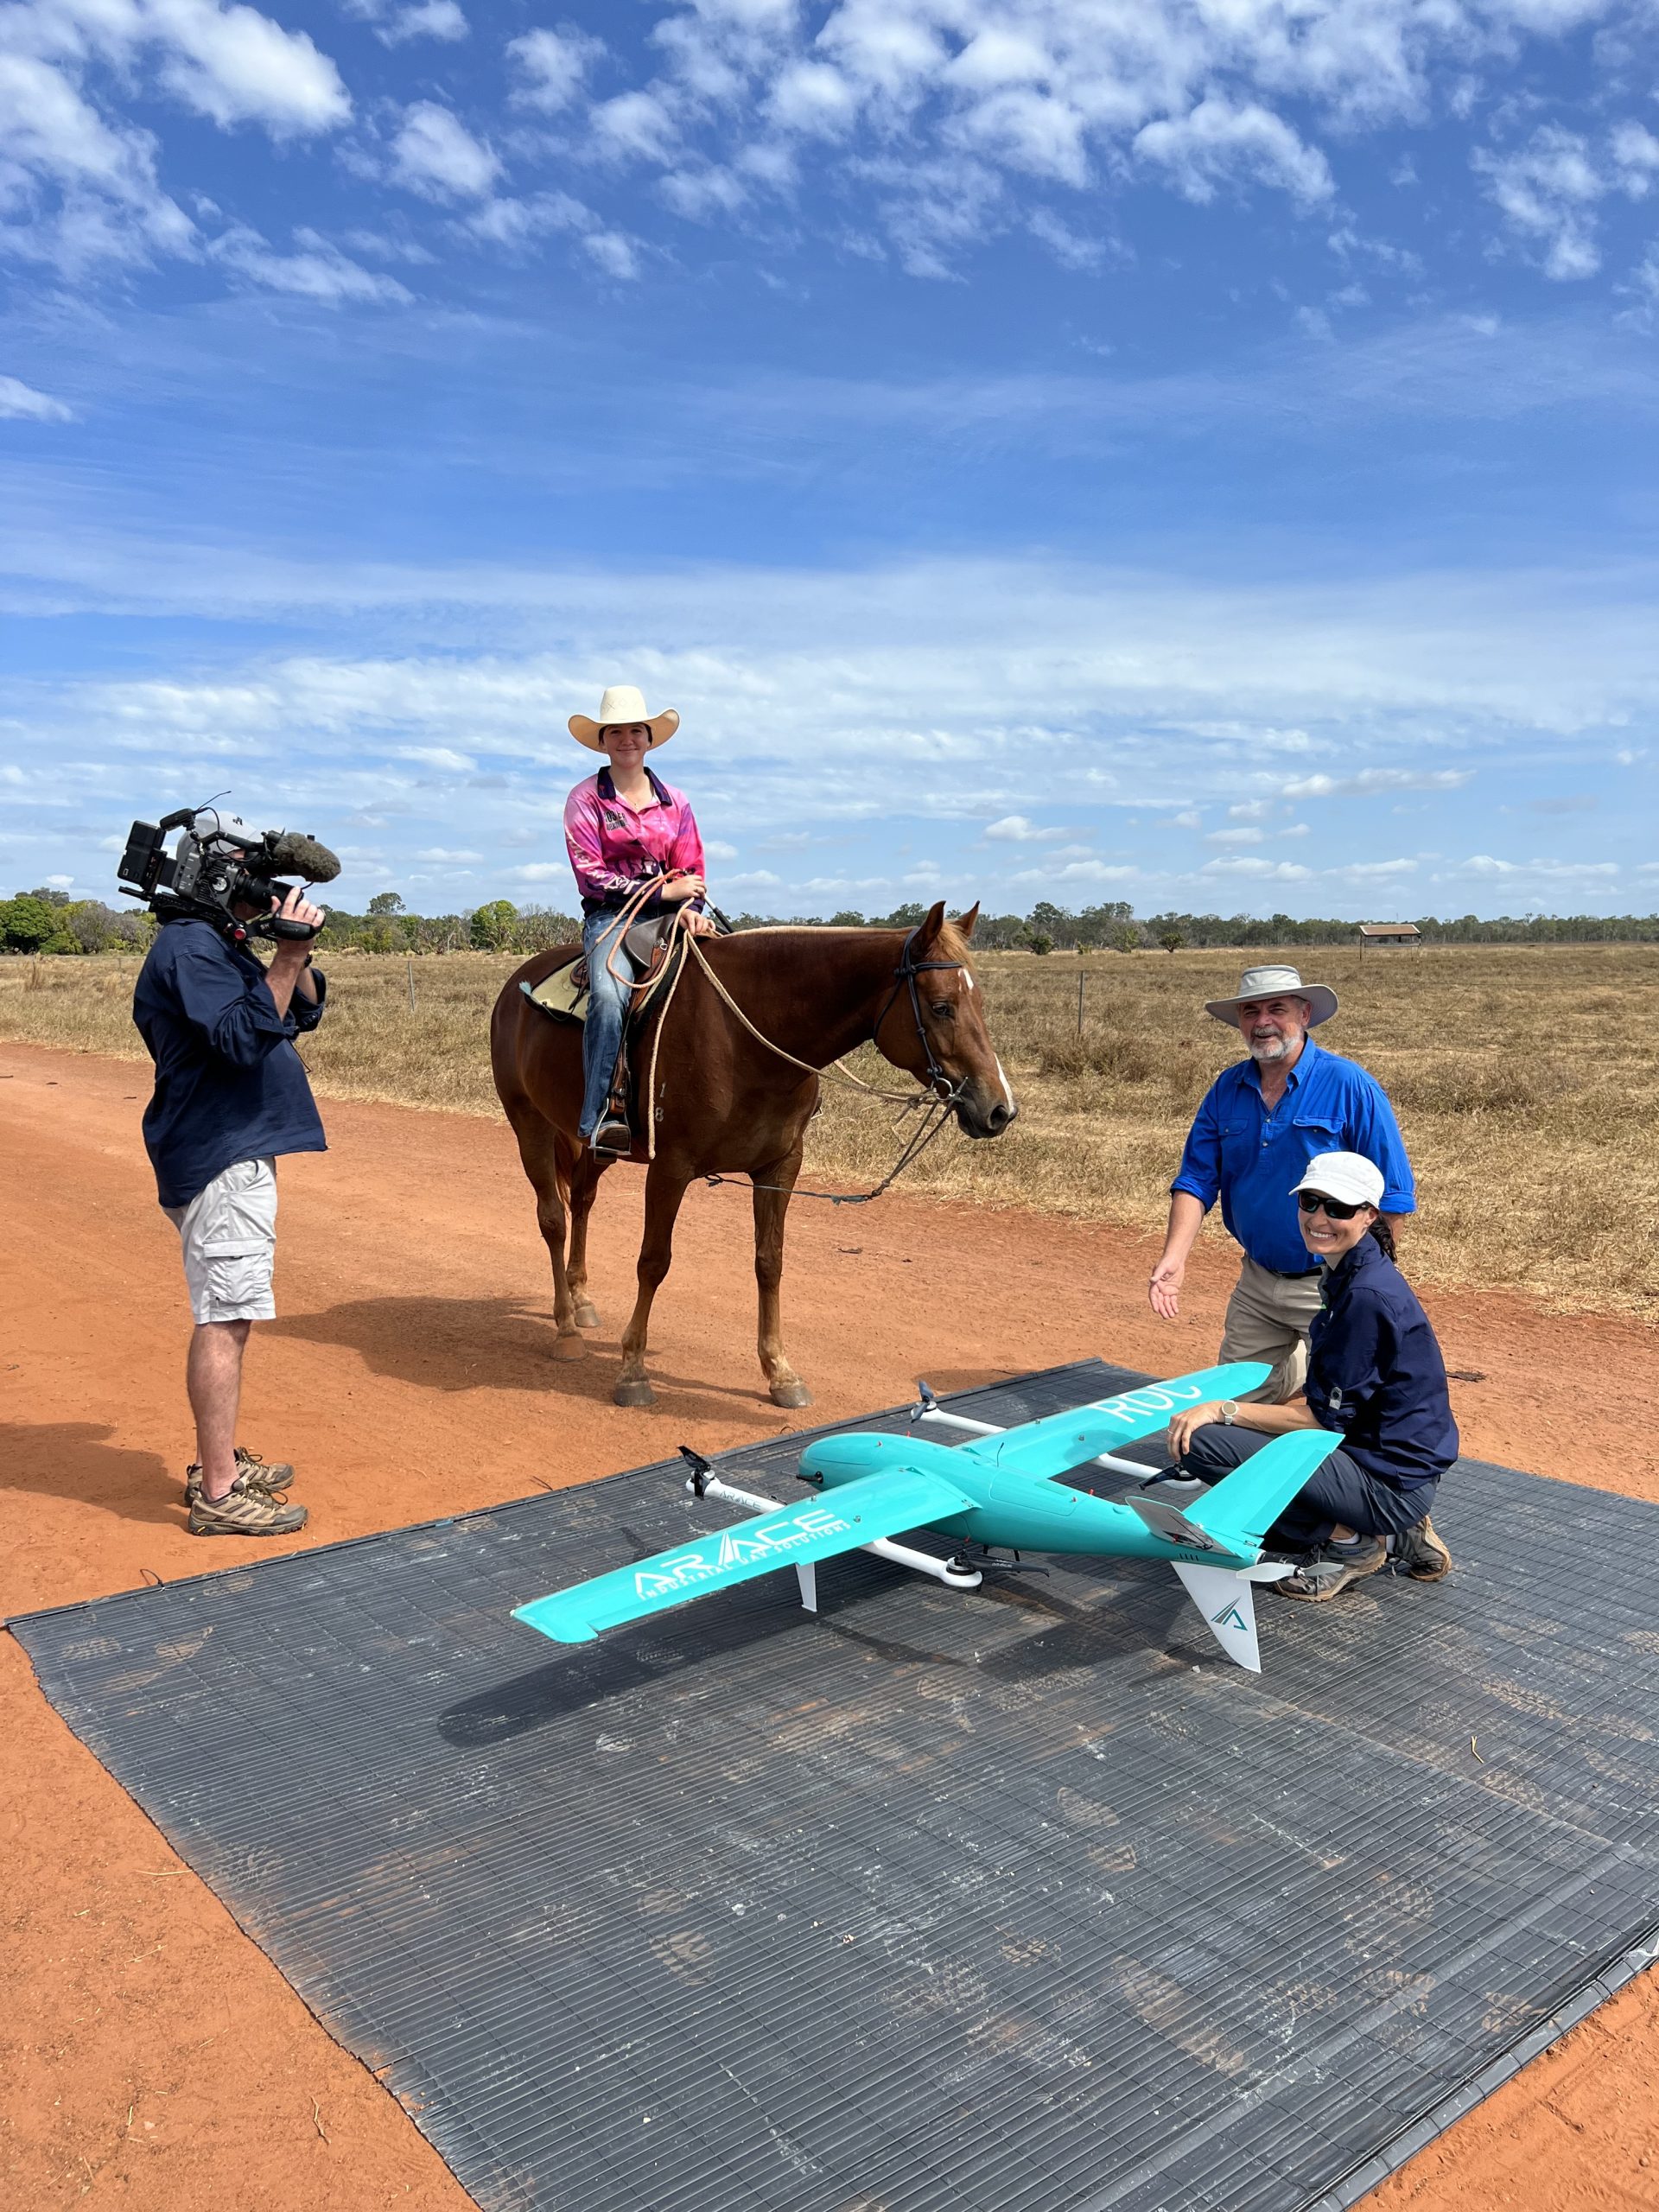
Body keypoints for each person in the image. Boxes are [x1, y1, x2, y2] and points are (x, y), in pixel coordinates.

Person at [1161, 1151, 1457, 1601]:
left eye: (1337, 1208)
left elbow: (1322, 1419)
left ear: (1369, 1215)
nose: (1319, 1217)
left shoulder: (1365, 1297)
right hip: (1393, 1469)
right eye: (1310, 1202)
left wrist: (1221, 1411)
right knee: (1244, 1440)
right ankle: (1396, 1533)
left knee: (1199, 1442)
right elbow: (1337, 1391)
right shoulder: (1352, 1270)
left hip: (1390, 1482)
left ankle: (1353, 1543)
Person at [133, 882, 327, 1535]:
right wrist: (287, 956)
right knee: (226, 1315)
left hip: (232, 1146)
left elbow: (295, 1014)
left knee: (231, 1310)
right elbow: (242, 1040)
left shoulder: (216, 943)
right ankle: (217, 1493)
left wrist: (291, 949)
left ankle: (214, 1464)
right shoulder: (189, 946)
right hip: (220, 1150)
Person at [1148, 963, 1414, 1402]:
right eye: (1251, 1012)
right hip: (1257, 1280)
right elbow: (1196, 1180)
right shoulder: (1227, 1088)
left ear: (1305, 1014)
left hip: (1330, 1283)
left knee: (1337, 1412)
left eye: (1277, 1009)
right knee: (1236, 1405)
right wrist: (1174, 1258)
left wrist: (1363, 1285)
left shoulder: (1350, 1085)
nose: (1263, 1022)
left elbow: (1394, 1195)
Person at [563, 683, 716, 1152]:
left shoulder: (677, 801)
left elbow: (692, 868)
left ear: (649, 738)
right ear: (603, 740)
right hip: (611, 919)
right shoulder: (585, 799)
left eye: (636, 730)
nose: (626, 739)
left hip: (672, 917)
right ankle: (599, 1116)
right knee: (610, 997)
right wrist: (662, 889)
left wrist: (690, 910)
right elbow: (590, 875)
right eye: (616, 732)